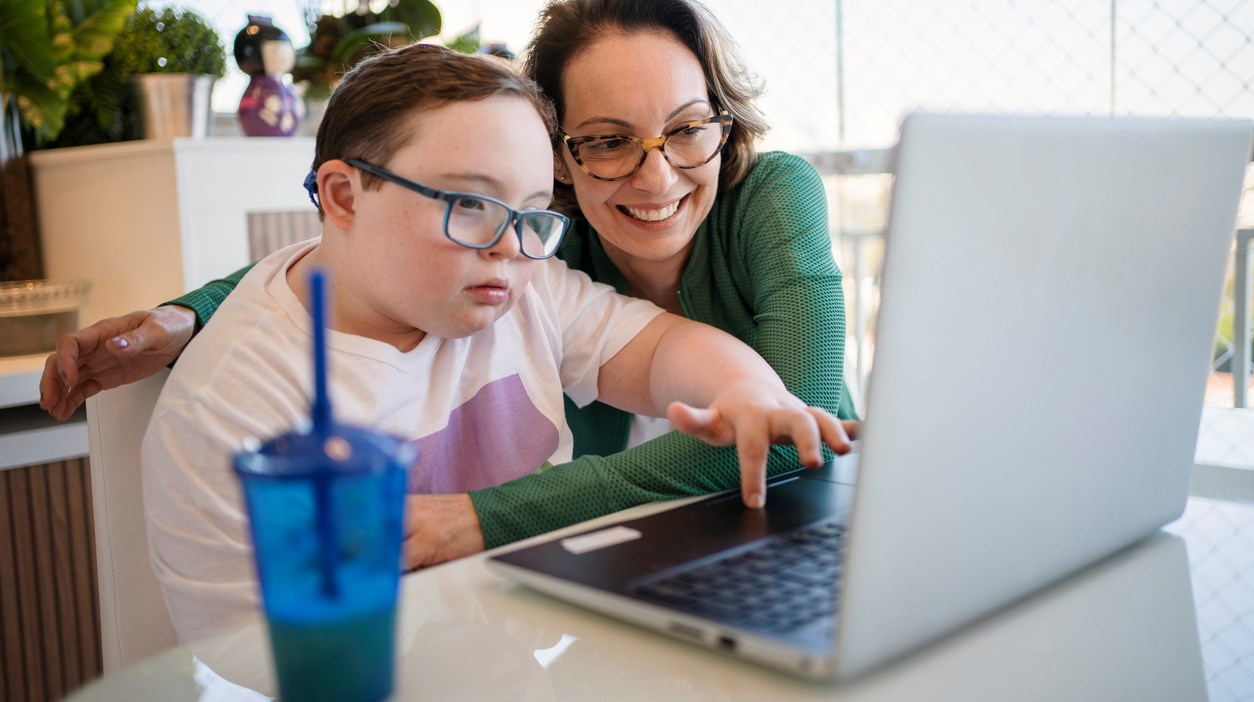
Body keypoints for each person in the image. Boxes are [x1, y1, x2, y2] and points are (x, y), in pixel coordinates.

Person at [40, 0, 857, 564]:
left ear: (723, 120)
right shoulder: (536, 249)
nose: (656, 175)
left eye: (686, 129)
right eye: (608, 140)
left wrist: (489, 518)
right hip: (616, 559)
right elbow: (362, 241)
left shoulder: (765, 197)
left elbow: (796, 426)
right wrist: (194, 313)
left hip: (740, 535)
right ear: (563, 158)